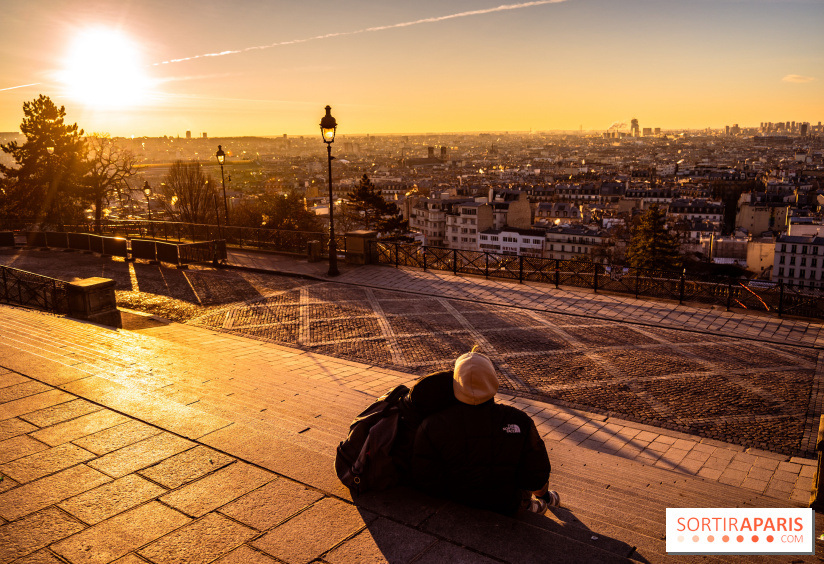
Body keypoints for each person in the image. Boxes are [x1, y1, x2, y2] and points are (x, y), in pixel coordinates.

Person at [410, 349, 559, 515]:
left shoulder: (431, 424)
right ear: (491, 379)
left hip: (456, 497)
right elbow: (536, 474)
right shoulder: (519, 421)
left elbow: (424, 476)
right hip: (508, 501)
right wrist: (541, 493)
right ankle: (542, 501)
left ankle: (533, 504)